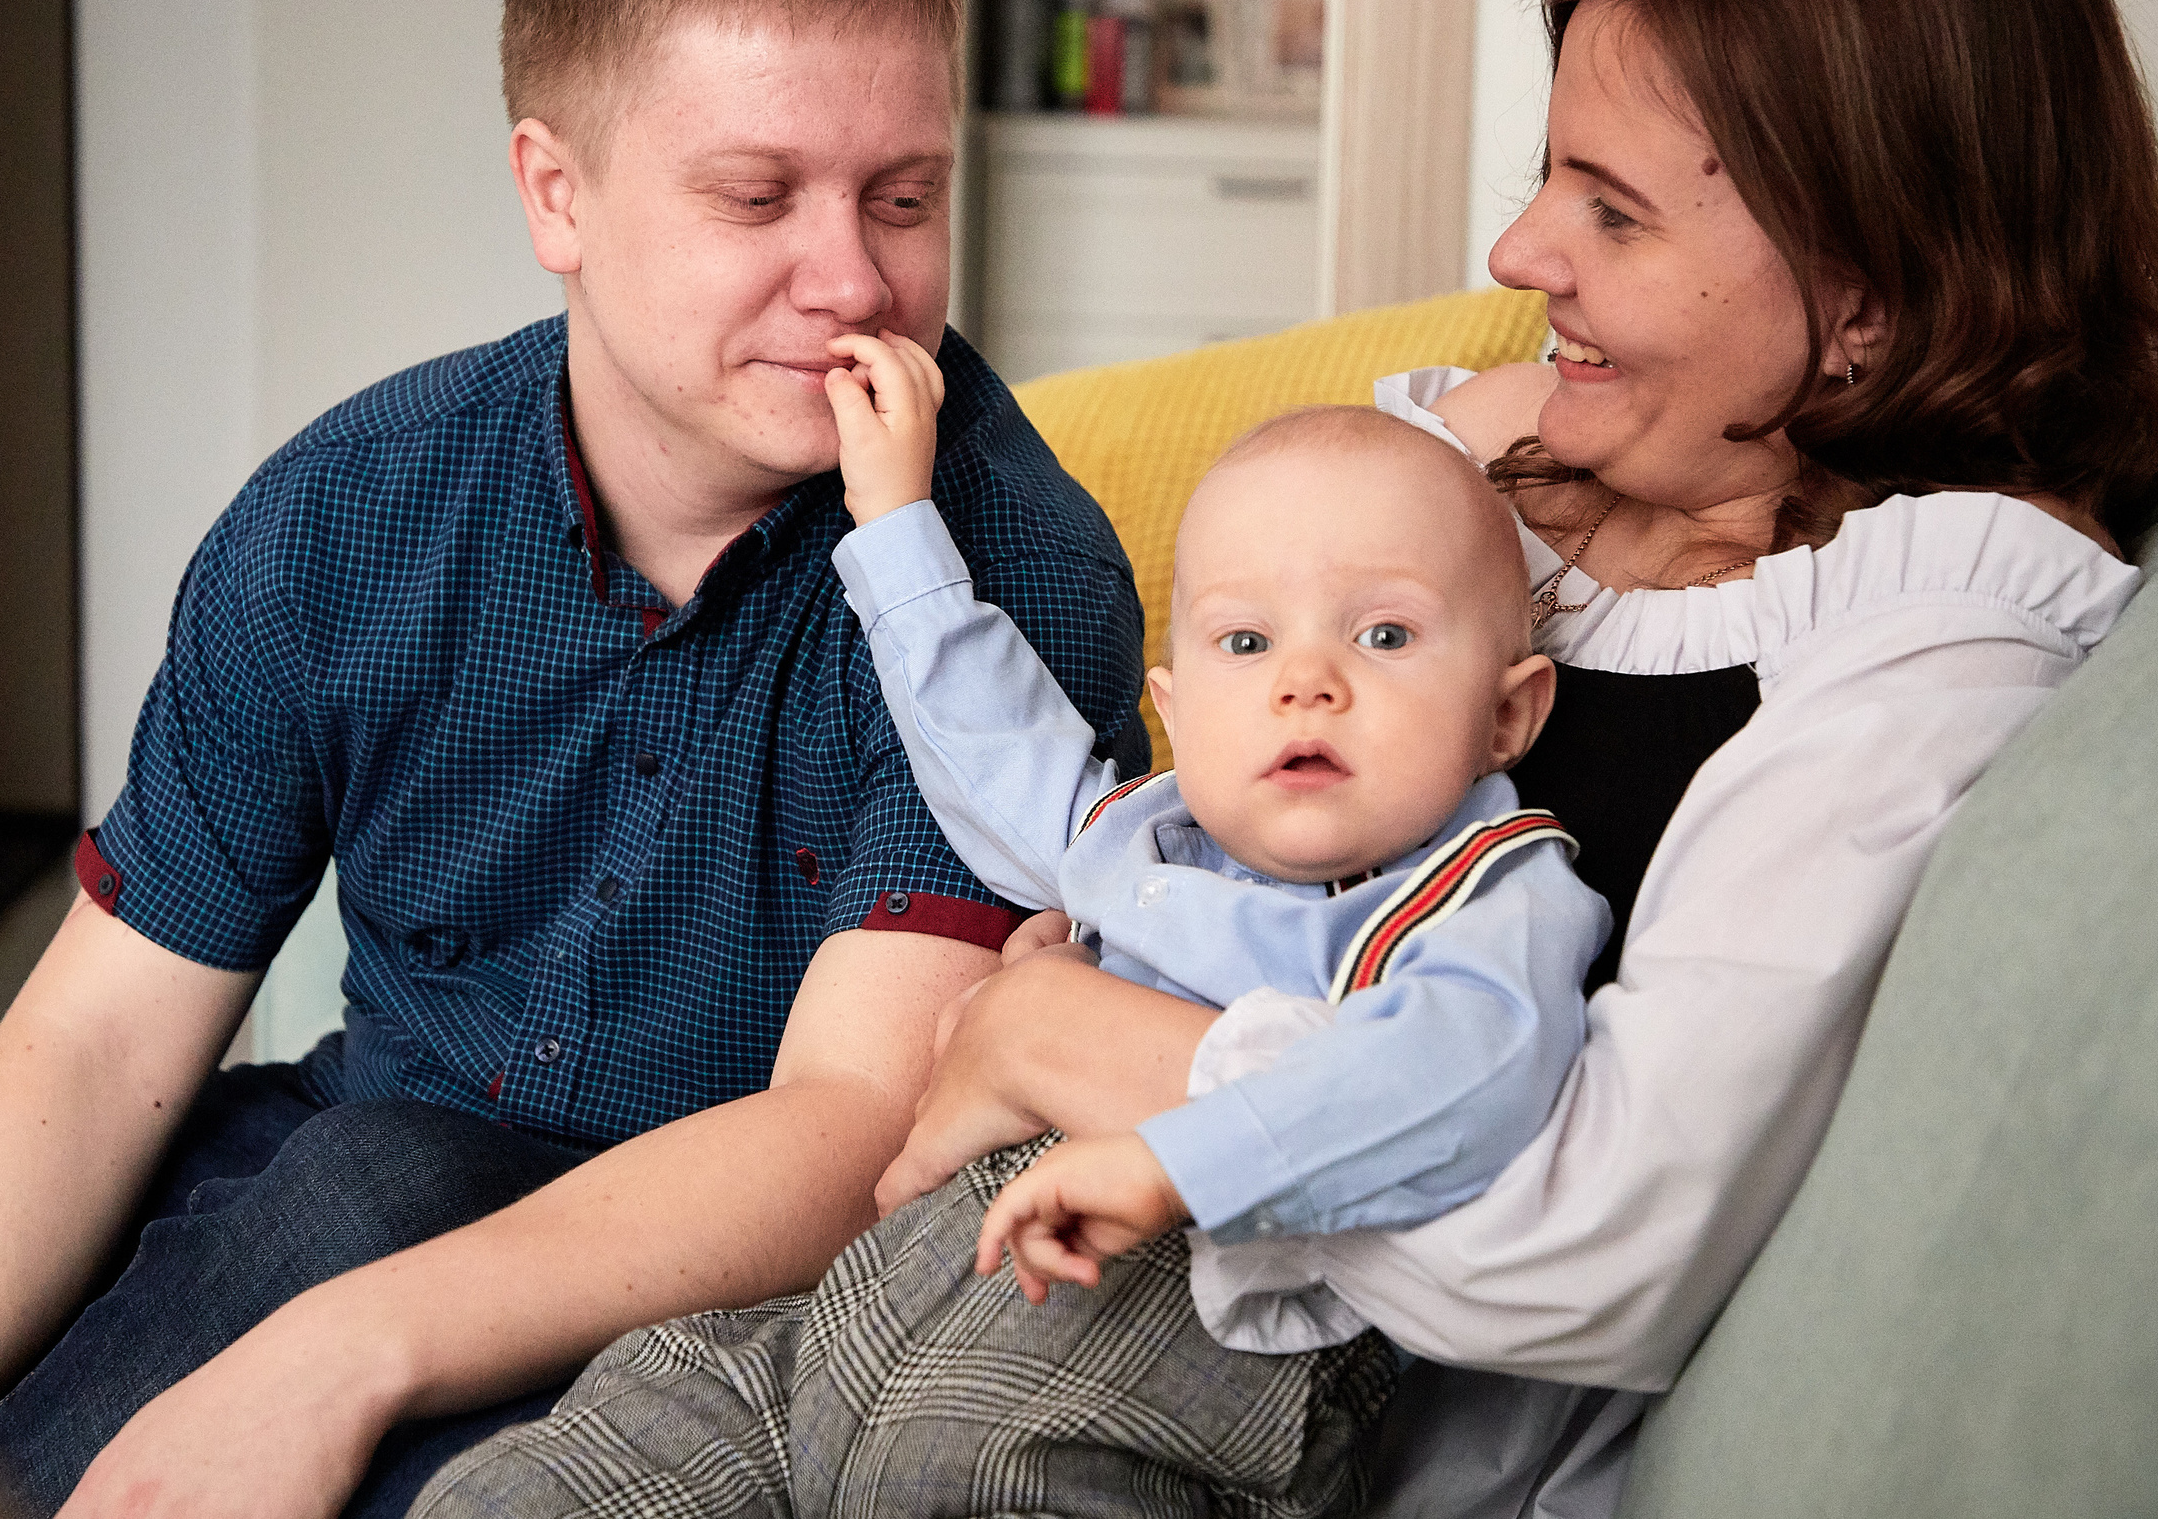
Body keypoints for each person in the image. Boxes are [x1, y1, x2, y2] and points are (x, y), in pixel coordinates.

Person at [429, 0, 2158, 1519]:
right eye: (1549, 177)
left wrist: (1085, 1045)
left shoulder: (1910, 660)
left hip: (1196, 1359)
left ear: (1868, 303)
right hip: (934, 1275)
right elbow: (1079, 764)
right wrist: (902, 539)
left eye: (1611, 210)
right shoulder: (1516, 458)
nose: (1520, 259)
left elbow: (1581, 1239)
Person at [0, 0, 1147, 1519]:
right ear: (556, 193)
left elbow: (856, 1124)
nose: (853, 280)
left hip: (696, 1292)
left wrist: (332, 1357)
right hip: (343, 1156)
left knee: (355, 1227)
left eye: (903, 198)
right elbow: (108, 1037)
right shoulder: (344, 517)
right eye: (758, 196)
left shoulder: (1007, 579)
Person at [411, 357, 1615, 1519]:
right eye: (1247, 643)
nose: (1307, 682)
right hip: (864, 1319)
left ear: (1508, 712)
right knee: (569, 1459)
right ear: (1178, 710)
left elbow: (1465, 1076)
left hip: (1159, 1354)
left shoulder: (1487, 892)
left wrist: (1179, 1158)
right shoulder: (1140, 838)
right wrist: (891, 518)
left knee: (945, 1473)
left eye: (1385, 637)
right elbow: (993, 743)